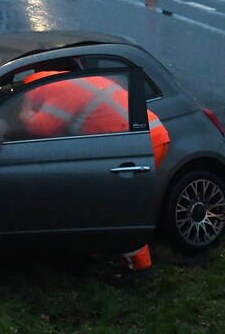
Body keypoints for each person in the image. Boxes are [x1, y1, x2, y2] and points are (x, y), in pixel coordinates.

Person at [17, 70, 170, 271]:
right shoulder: (68, 81)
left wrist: (22, 112)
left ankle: (138, 265)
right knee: (106, 202)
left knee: (118, 208)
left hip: (141, 143)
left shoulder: (56, 92)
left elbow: (41, 128)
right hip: (148, 134)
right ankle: (102, 249)